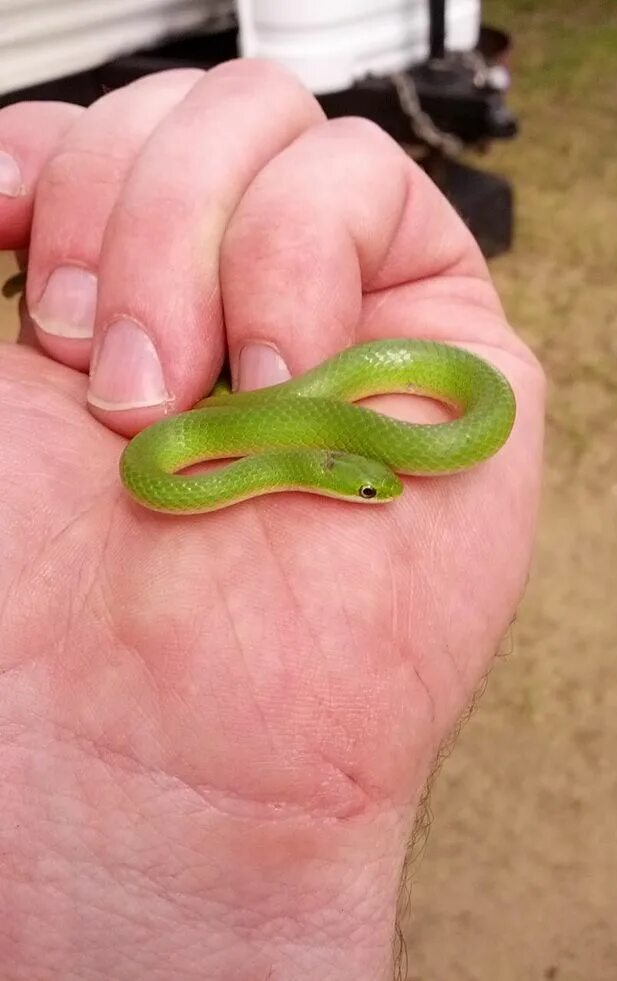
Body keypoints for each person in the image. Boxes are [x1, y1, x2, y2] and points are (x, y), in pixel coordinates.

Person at [0, 60, 544, 980]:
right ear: (330, 476)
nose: (384, 493)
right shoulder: (181, 473)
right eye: (372, 488)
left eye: (373, 484)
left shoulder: (319, 442)